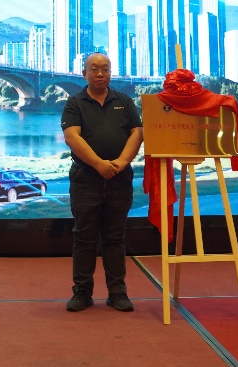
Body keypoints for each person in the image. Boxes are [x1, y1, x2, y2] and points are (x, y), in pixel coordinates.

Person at [62, 52, 143, 313]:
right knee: (84, 236)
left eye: (105, 69)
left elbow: (137, 132)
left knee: (115, 236)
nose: (100, 74)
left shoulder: (124, 100)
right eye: (94, 69)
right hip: (86, 179)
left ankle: (117, 292)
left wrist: (121, 162)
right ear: (84, 73)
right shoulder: (75, 102)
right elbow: (72, 137)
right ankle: (82, 292)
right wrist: (99, 164)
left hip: (120, 178)